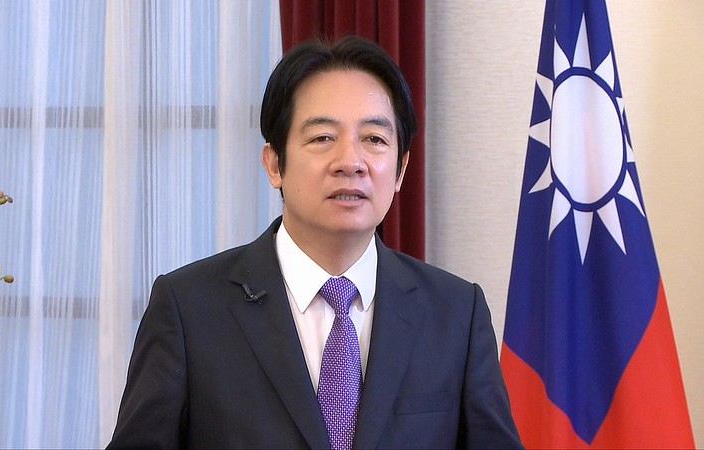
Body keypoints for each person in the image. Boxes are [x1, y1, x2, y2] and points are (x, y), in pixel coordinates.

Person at [107, 35, 521, 449]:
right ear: (274, 164)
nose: (351, 162)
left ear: (400, 170)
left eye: (374, 139)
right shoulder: (188, 310)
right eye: (323, 138)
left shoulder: (456, 314)